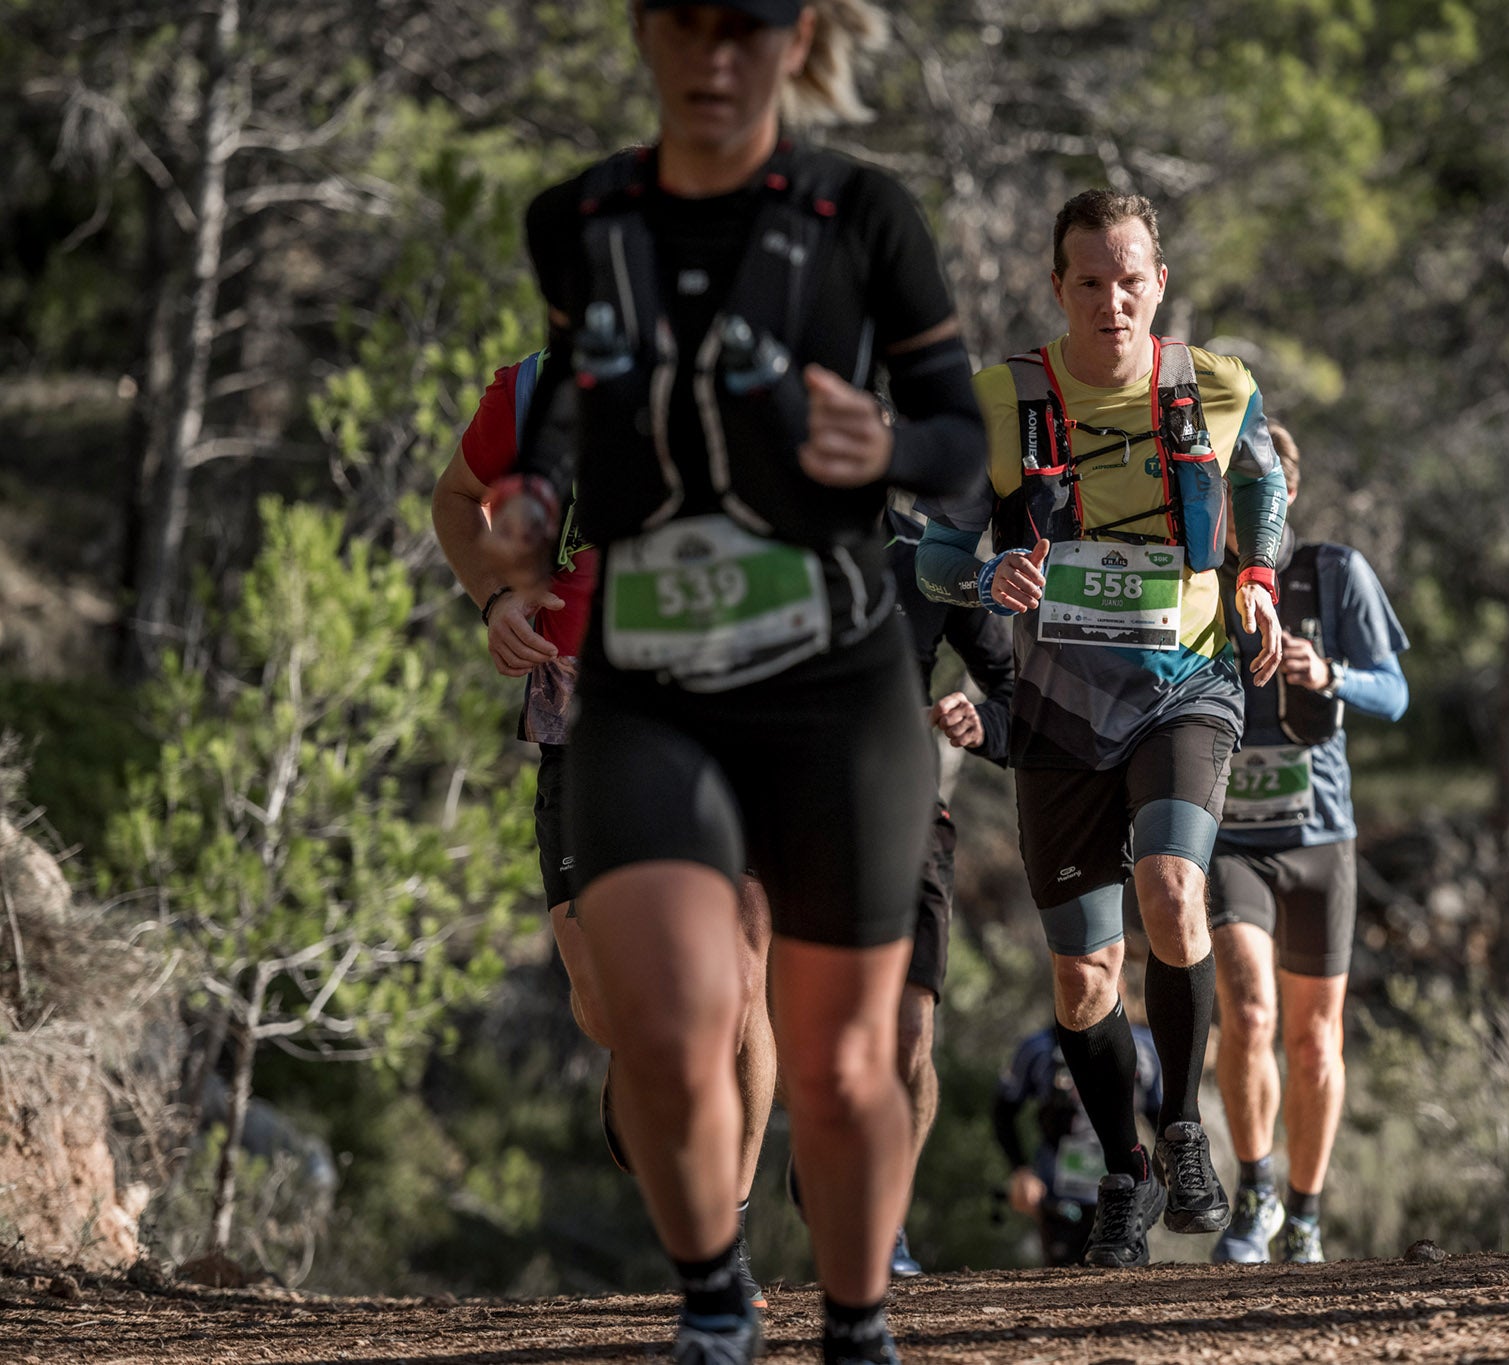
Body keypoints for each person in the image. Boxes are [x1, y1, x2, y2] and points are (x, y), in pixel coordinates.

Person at [478, 1, 983, 1360]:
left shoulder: (860, 216)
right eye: (685, 23)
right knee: (663, 1017)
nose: (714, 57)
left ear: (798, 35)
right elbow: (576, 398)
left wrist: (880, 441)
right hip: (647, 680)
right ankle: (715, 1307)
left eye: (747, 25)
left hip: (835, 681)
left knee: (836, 1062)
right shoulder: (577, 222)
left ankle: (857, 1325)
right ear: (643, 32)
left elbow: (960, 451)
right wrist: (525, 507)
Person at [915, 188, 1290, 1269]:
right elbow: (934, 553)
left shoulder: (1213, 387)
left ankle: (1180, 1128)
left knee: (1173, 889)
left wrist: (1257, 580)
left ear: (1157, 283)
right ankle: (1121, 1175)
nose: (1112, 302)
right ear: (1057, 288)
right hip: (1059, 708)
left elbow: (1262, 485)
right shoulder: (1000, 400)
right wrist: (990, 569)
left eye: (1130, 281)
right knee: (1083, 980)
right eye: (1090, 283)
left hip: (1186, 683)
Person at [431, 353, 775, 1308]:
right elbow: (457, 498)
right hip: (583, 710)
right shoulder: (535, 390)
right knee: (607, 1002)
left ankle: (723, 1236)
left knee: (742, 974)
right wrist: (495, 598)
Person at [1207, 423, 1409, 1265]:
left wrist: (1329, 674)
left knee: (1313, 1038)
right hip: (1228, 840)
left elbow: (1395, 693)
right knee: (1249, 1011)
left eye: (1260, 492)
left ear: (1286, 495)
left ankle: (1307, 1210)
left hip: (1320, 835)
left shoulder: (1335, 574)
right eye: (1227, 491)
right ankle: (1253, 1192)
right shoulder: (1195, 580)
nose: (1244, 508)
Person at [885, 503, 1014, 1275]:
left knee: (908, 1037)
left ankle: (884, 1218)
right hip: (787, 826)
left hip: (909, 821)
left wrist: (983, 720)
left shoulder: (925, 554)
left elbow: (1009, 682)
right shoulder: (761, 543)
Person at [992, 1021, 1162, 1266]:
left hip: (1124, 1197)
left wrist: (1165, 1171)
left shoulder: (1145, 1048)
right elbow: (1004, 1112)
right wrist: (1020, 1171)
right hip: (1058, 1195)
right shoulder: (1038, 1048)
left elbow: (1159, 1113)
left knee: (1120, 1276)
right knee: (1063, 1281)